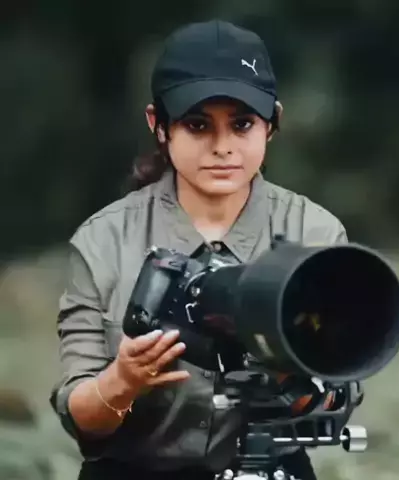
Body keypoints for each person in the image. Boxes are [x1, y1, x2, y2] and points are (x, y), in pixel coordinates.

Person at [49, 19, 348, 480]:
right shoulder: (104, 240)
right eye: (197, 125)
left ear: (272, 124)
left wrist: (291, 369)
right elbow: (81, 417)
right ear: (159, 125)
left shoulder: (315, 233)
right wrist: (123, 381)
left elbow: (340, 397)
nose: (222, 147)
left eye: (242, 124)